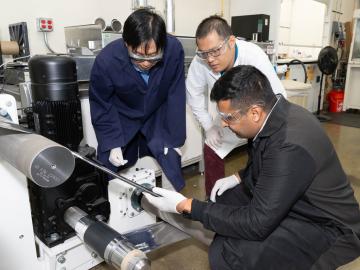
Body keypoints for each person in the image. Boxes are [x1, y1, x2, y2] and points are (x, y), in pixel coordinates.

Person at [144, 65, 360, 270]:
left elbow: (257, 223)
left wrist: (187, 206)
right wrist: (239, 176)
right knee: (221, 201)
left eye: (229, 118)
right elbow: (268, 163)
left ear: (255, 113)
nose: (225, 124)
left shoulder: (289, 145)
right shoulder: (274, 114)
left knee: (230, 253)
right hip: (297, 201)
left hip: (327, 226)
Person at [186, 15, 287, 197]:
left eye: (215, 51)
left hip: (258, 116)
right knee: (211, 150)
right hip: (228, 117)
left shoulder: (253, 55)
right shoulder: (200, 62)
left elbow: (278, 96)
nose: (210, 59)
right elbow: (193, 96)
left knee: (262, 154)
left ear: (231, 41)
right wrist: (209, 127)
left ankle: (259, 197)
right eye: (204, 53)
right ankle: (215, 200)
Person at [89, 9, 186, 190]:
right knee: (107, 167)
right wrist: (112, 142)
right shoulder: (107, 60)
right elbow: (101, 104)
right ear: (126, 44)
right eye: (138, 56)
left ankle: (173, 210)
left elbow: (176, 93)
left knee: (171, 161)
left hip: (158, 113)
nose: (146, 62)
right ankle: (110, 215)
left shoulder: (174, 50)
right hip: (122, 116)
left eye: (154, 56)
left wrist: (174, 139)